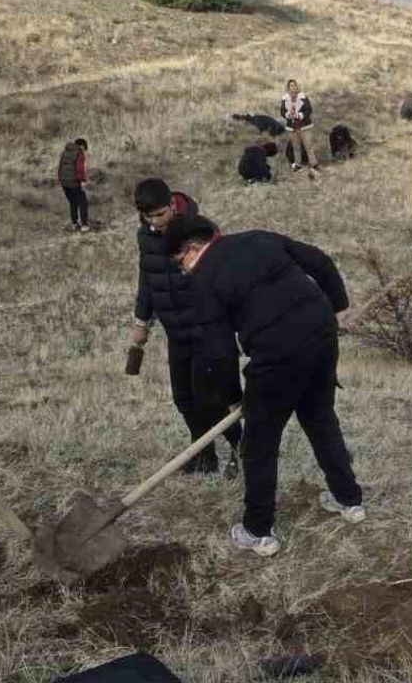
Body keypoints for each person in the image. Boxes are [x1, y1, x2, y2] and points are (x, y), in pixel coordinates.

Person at [165, 213, 365, 557]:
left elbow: (219, 352)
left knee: (259, 444)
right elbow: (319, 260)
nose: (182, 270)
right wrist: (338, 308)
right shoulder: (257, 238)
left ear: (193, 248)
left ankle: (258, 530)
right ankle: (349, 500)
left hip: (277, 355)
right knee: (320, 418)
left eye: (179, 261)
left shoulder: (203, 280)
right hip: (320, 333)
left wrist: (233, 399)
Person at [132, 180, 244, 477]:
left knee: (213, 399)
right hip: (176, 333)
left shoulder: (200, 231)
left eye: (160, 214)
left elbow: (222, 277)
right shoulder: (146, 236)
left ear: (172, 205)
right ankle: (203, 454)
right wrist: (141, 321)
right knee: (184, 398)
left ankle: (242, 449)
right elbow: (148, 279)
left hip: (207, 329)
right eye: (148, 217)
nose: (155, 222)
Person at [280, 79, 319, 174]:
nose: (293, 87)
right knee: (296, 146)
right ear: (288, 87)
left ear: (297, 86)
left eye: (294, 85)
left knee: (308, 146)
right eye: (291, 86)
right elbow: (282, 111)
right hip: (292, 126)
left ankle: (314, 164)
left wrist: (300, 115)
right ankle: (298, 164)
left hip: (304, 126)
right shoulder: (285, 99)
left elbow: (309, 110)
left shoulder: (303, 97)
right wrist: (288, 114)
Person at [58, 138, 90, 232]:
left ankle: (74, 223)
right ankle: (84, 225)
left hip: (64, 182)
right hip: (73, 182)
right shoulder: (79, 153)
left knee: (73, 202)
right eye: (84, 149)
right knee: (83, 202)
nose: (84, 151)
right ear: (82, 146)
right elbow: (80, 169)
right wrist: (82, 181)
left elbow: (60, 167)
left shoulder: (65, 152)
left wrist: (61, 179)